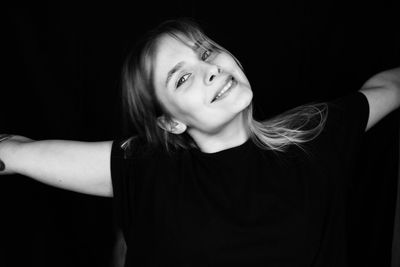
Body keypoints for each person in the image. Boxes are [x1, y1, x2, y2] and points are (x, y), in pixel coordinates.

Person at [0, 17, 399, 266]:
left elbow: (389, 85)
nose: (210, 70)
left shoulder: (313, 134)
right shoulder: (146, 168)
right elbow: (13, 152)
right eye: (182, 77)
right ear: (171, 122)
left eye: (206, 53)